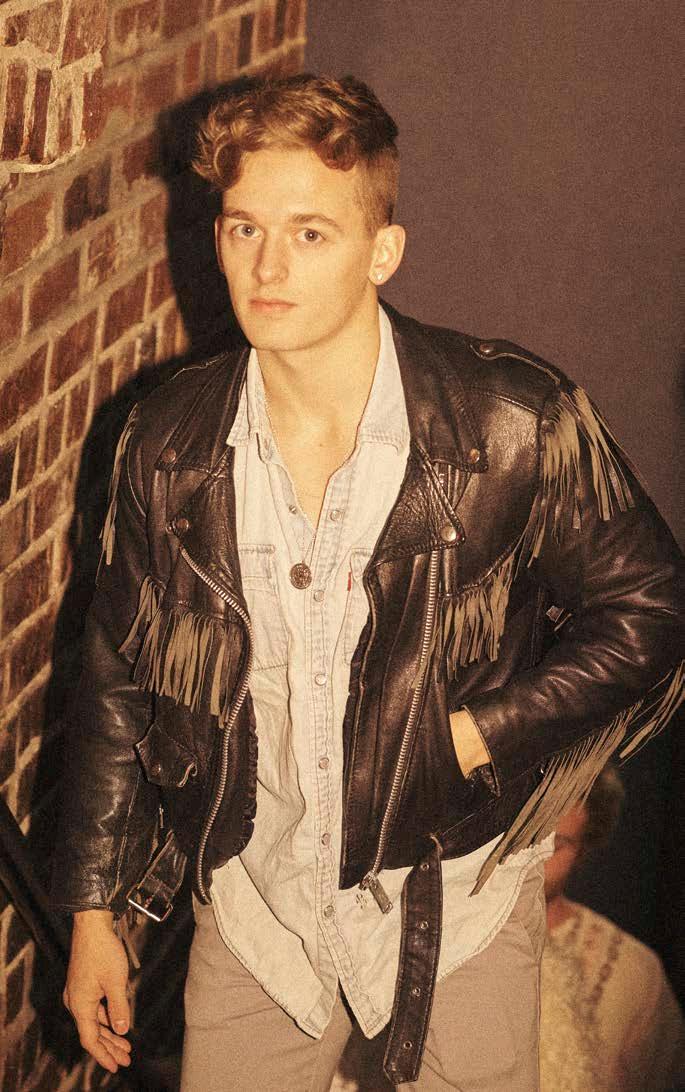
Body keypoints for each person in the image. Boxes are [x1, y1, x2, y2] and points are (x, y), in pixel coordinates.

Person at [52, 74, 684, 1091]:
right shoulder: (166, 442)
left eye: (309, 234)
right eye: (244, 228)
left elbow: (651, 609)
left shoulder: (509, 421)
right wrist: (95, 913)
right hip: (258, 915)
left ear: (381, 251)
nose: (267, 267)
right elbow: (117, 677)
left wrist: (475, 736)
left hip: (455, 903)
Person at [541, 766, 685, 1092]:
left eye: (556, 845)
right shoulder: (449, 942)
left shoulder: (631, 971)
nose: (533, 859)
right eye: (527, 840)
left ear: (582, 851)